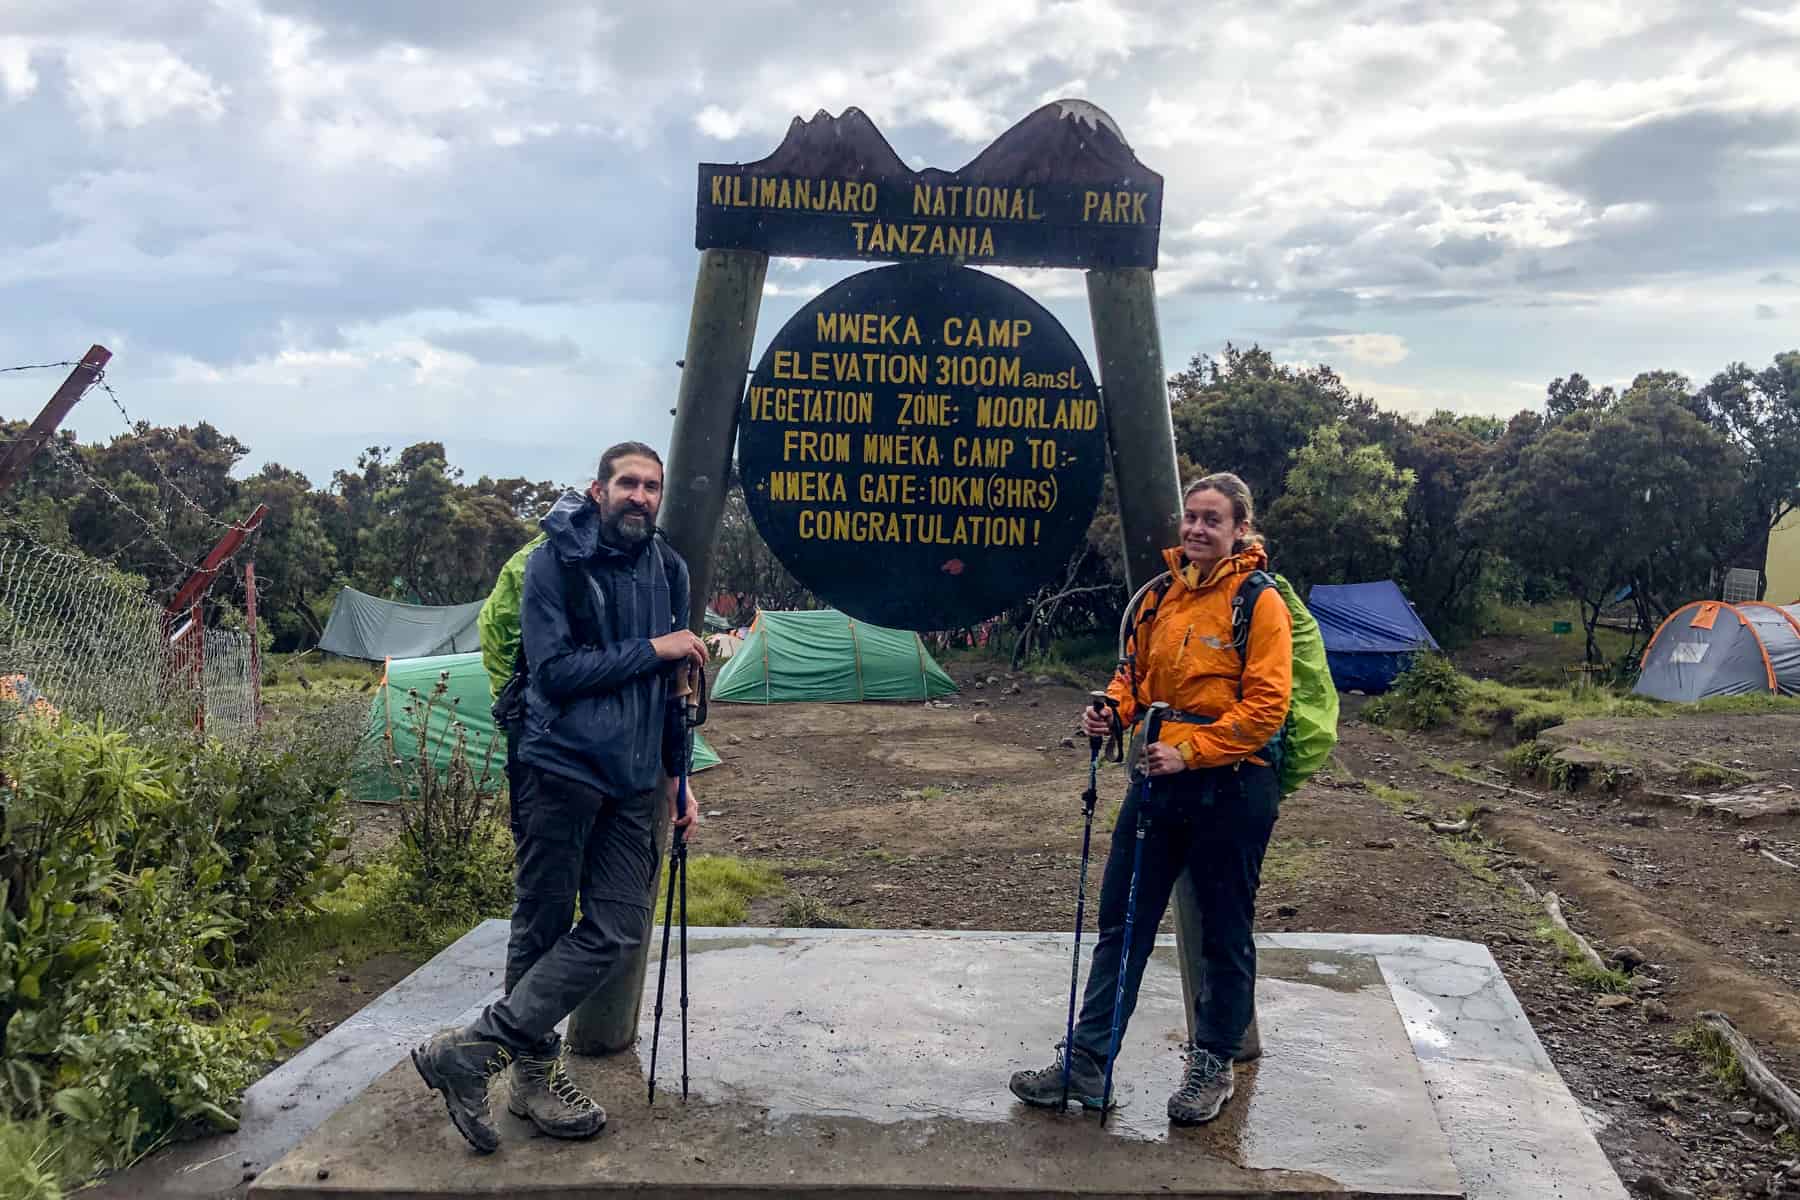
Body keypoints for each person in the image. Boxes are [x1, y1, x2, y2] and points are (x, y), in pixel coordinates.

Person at [412, 442, 708, 1154]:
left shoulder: (668, 569)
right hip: (559, 770)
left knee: (617, 924)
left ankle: (474, 1049)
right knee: (541, 924)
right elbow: (554, 672)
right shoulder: (555, 562)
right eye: (627, 483)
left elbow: (678, 692)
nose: (640, 497)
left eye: (651, 487)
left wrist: (679, 778)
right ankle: (534, 1082)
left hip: (635, 781)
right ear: (598, 488)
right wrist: (657, 648)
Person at [1009, 472, 1292, 1126]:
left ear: (1240, 529)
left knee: (1222, 932)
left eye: (1212, 519)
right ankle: (1087, 1063)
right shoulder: (1157, 597)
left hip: (1234, 786)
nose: (1196, 528)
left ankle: (1212, 1063)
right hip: (1157, 780)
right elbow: (1132, 676)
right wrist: (1111, 710)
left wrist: (1190, 750)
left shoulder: (1259, 601)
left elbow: (1268, 706)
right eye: (1191, 517)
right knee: (1122, 922)